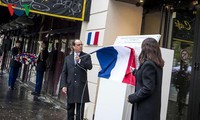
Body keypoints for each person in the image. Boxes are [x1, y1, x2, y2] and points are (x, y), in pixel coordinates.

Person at [128, 38, 164, 120]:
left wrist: (132, 97)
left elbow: (148, 88)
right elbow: (146, 78)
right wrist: (135, 72)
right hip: (151, 109)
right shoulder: (156, 64)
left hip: (145, 110)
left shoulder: (148, 64)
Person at [60, 39, 92, 120]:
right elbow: (64, 72)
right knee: (70, 108)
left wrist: (80, 61)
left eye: (81, 44)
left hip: (81, 86)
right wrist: (64, 85)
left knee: (80, 109)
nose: (80, 46)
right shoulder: (68, 58)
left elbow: (90, 67)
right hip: (70, 86)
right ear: (74, 46)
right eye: (78, 45)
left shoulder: (86, 56)